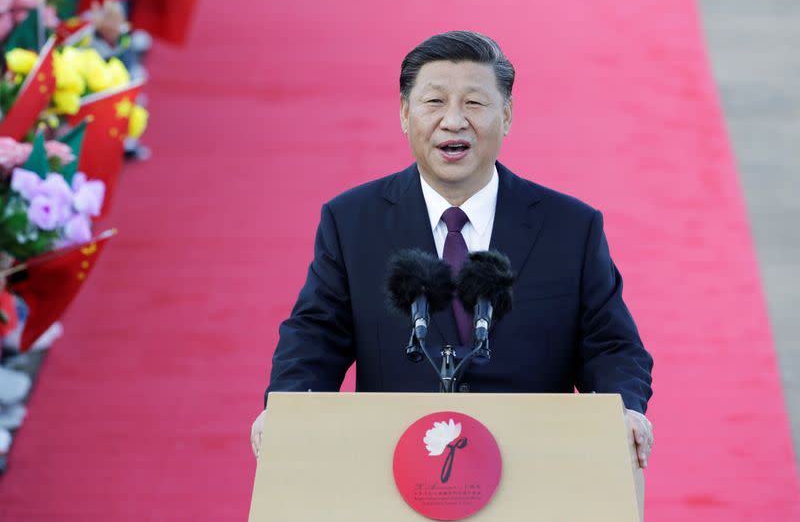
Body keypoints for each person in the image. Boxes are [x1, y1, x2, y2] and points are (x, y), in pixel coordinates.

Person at [250, 31, 654, 467]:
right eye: (434, 102)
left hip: (533, 467)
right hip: (396, 469)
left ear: (508, 114)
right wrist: (287, 407)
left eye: (475, 103)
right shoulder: (352, 221)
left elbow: (611, 345)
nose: (454, 121)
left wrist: (625, 408)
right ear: (405, 114)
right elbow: (315, 336)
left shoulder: (571, 227)